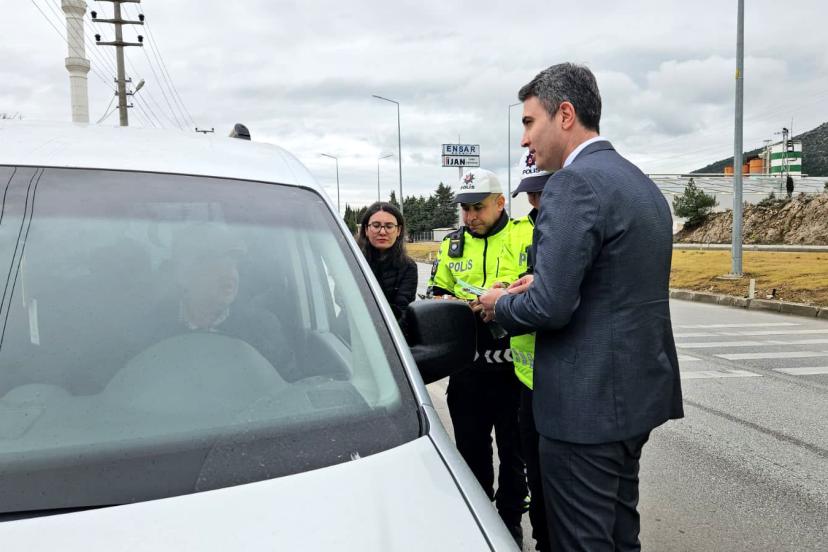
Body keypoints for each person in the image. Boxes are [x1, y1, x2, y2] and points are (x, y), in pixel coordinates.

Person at [478, 63, 683, 551]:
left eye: (529, 122)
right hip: (635, 398)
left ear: (565, 115)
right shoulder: (638, 183)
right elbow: (613, 282)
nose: (525, 140)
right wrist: (543, 282)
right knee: (620, 534)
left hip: (584, 409)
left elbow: (549, 309)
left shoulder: (573, 184)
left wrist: (500, 305)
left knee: (582, 541)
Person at [426, 169, 527, 546]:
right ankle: (480, 523)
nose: (469, 217)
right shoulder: (452, 244)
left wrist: (506, 299)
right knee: (471, 454)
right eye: (464, 209)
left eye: (477, 208)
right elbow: (436, 293)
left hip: (515, 371)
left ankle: (511, 522)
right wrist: (455, 304)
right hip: (468, 371)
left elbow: (545, 291)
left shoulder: (525, 235)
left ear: (500, 202)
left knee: (515, 456)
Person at [147, 223, 300, 382]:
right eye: (213, 263)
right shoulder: (151, 329)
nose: (230, 274)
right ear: (183, 275)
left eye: (233, 263)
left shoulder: (262, 328)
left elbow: (291, 390)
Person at [508, 150, 553, 552]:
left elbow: (554, 301)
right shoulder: (531, 226)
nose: (535, 200)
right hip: (528, 376)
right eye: (530, 193)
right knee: (534, 473)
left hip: (560, 378)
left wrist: (505, 305)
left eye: (542, 191)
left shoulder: (568, 225)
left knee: (558, 483)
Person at [356, 201, 418, 321]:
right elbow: (342, 300)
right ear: (366, 229)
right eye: (376, 226)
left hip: (390, 329)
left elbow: (402, 310)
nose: (382, 232)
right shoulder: (354, 261)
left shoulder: (408, 267)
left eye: (389, 226)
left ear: (398, 230)